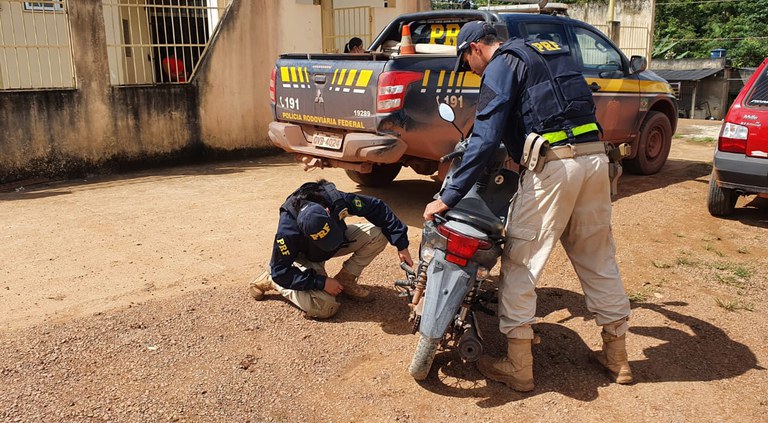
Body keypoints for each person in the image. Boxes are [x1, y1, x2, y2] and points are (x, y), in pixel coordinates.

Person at [422, 21, 632, 391]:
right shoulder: (549, 51)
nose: (471, 71)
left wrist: (448, 195)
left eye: (467, 62)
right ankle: (618, 359)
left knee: (521, 261)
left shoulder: (501, 64)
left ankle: (518, 366)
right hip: (595, 159)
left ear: (475, 48)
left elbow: (485, 137)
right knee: (598, 258)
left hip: (554, 165)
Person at [250, 179, 413, 319]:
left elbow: (377, 208)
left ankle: (346, 280)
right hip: (307, 256)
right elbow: (280, 271)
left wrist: (401, 244)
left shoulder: (334, 200)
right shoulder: (287, 232)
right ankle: (270, 280)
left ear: (327, 211)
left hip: (337, 240)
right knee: (325, 306)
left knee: (379, 234)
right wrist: (320, 282)